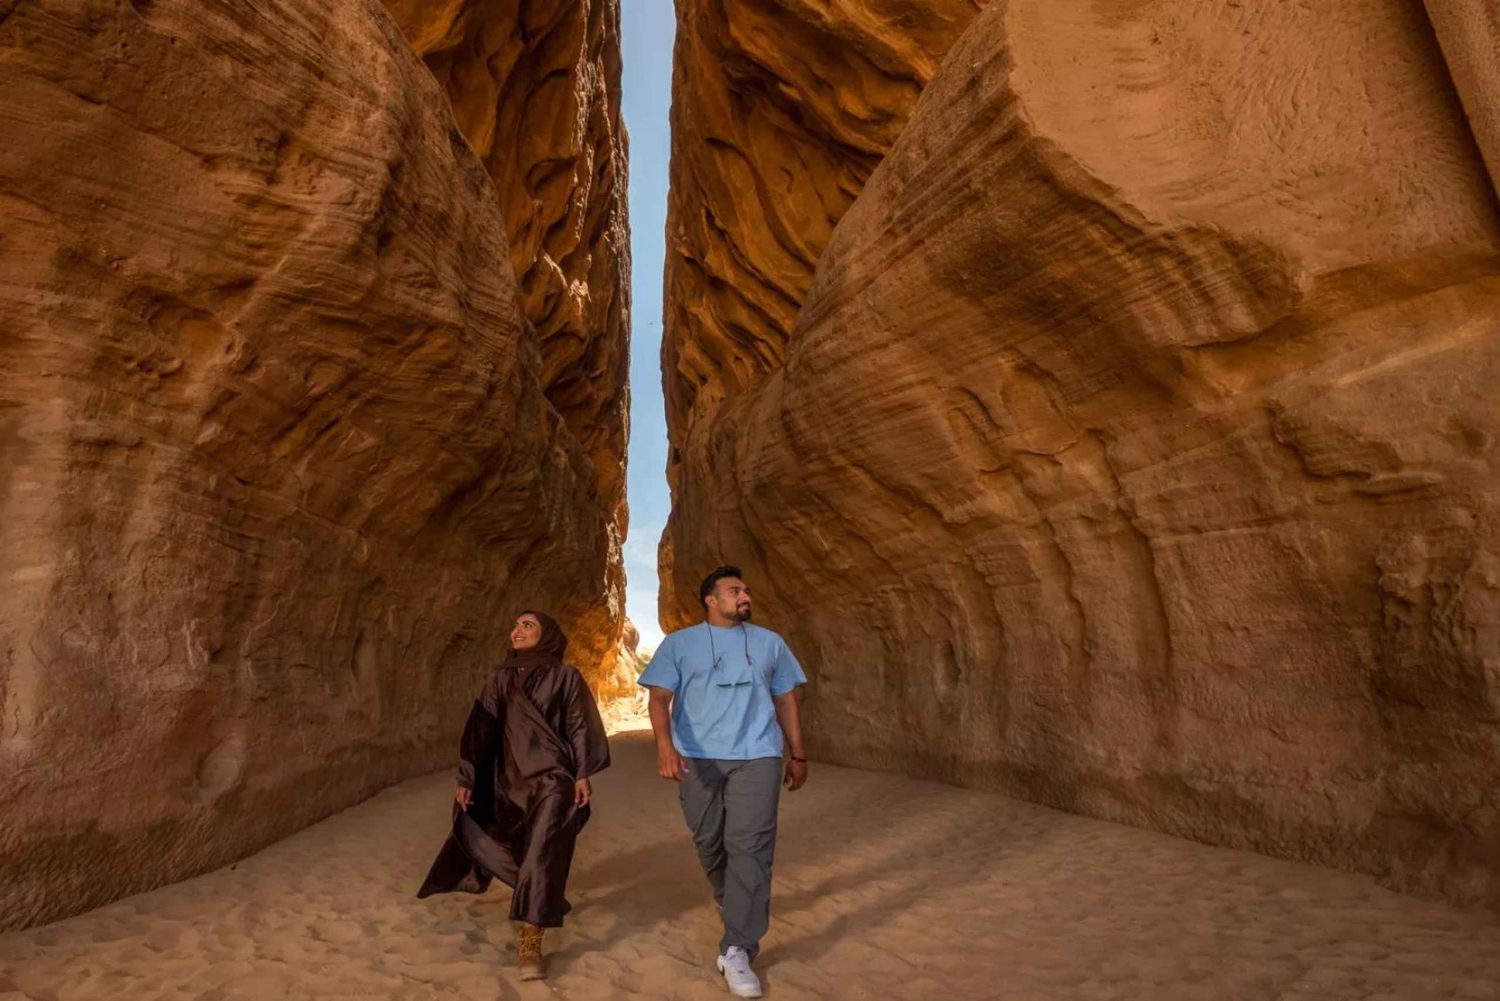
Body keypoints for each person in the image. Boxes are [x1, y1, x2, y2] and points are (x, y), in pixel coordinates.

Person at [639, 565, 809, 999]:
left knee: (751, 847)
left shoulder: (771, 643)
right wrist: (664, 746)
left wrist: (798, 752)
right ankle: (729, 896)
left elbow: (785, 697)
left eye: (746, 590)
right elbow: (659, 698)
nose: (744, 595)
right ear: (711, 600)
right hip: (697, 758)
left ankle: (737, 947)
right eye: (735, 590)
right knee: (710, 841)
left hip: (758, 756)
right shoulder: (679, 644)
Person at [417, 611, 610, 982]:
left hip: (555, 779)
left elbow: (580, 725)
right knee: (520, 851)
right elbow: (480, 730)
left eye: (527, 625)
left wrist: (582, 773)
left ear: (547, 634)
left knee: (542, 849)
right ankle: (542, 892)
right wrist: (468, 777)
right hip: (507, 779)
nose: (517, 631)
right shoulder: (501, 678)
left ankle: (531, 939)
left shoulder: (566, 676)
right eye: (516, 625)